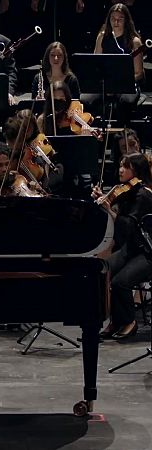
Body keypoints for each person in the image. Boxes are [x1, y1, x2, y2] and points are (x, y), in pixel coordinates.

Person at [92, 153, 152, 339]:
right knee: (102, 271)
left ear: (137, 171)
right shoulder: (128, 191)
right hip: (131, 249)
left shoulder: (143, 195)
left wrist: (109, 210)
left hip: (146, 252)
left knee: (120, 282)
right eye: (120, 165)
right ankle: (114, 321)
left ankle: (129, 322)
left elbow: (129, 228)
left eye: (126, 167)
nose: (120, 169)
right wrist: (104, 198)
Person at [83, 3, 144, 125]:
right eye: (113, 18)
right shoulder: (102, 37)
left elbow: (139, 73)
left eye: (120, 19)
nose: (116, 22)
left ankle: (122, 135)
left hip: (127, 85)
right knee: (84, 100)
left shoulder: (134, 41)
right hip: (105, 83)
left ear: (126, 20)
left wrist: (117, 85)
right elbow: (95, 65)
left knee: (125, 102)